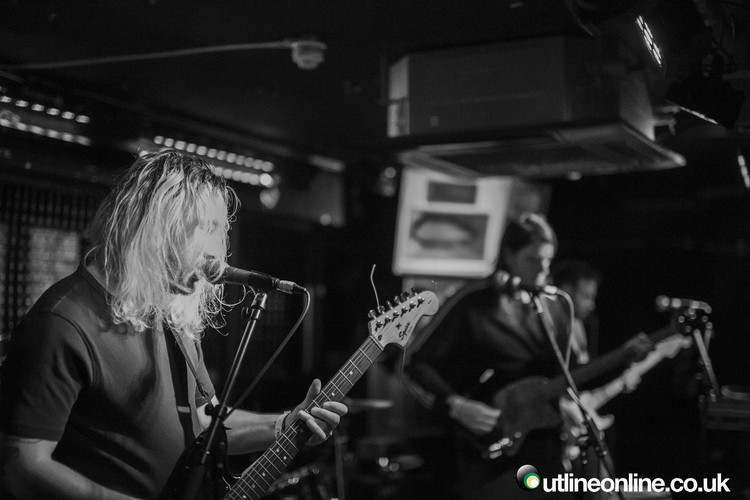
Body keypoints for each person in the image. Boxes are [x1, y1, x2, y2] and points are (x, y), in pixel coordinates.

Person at [0, 150, 347, 499]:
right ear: (156, 228)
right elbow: (21, 465)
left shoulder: (170, 315)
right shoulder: (62, 322)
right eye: (204, 229)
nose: (215, 255)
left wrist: (285, 424)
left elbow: (204, 421)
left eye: (218, 231)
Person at [404, 213, 651, 499]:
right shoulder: (473, 303)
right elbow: (416, 365)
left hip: (547, 447)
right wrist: (456, 405)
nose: (543, 269)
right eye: (533, 259)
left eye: (548, 260)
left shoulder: (557, 306)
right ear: (509, 255)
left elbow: (572, 377)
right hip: (489, 448)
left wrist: (623, 359)